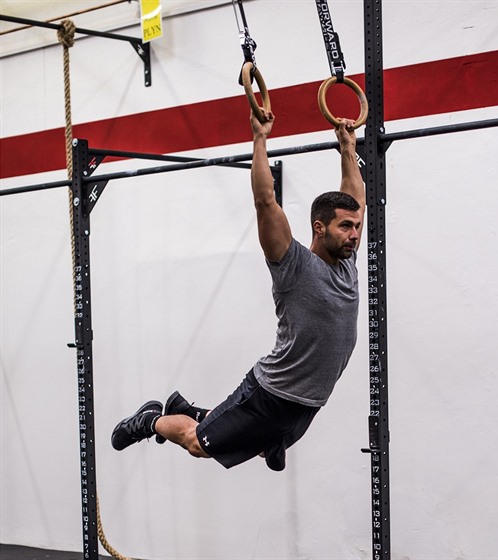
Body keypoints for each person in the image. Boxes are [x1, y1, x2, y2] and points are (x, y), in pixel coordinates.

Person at [111, 109, 365, 471]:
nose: (355, 234)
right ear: (319, 228)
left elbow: (355, 195)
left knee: (258, 447)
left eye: (357, 227)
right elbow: (265, 202)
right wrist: (259, 138)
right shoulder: (293, 265)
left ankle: (193, 411)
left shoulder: (347, 261)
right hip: (272, 394)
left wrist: (347, 147)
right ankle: (151, 420)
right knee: (199, 442)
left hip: (309, 401)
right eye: (346, 227)